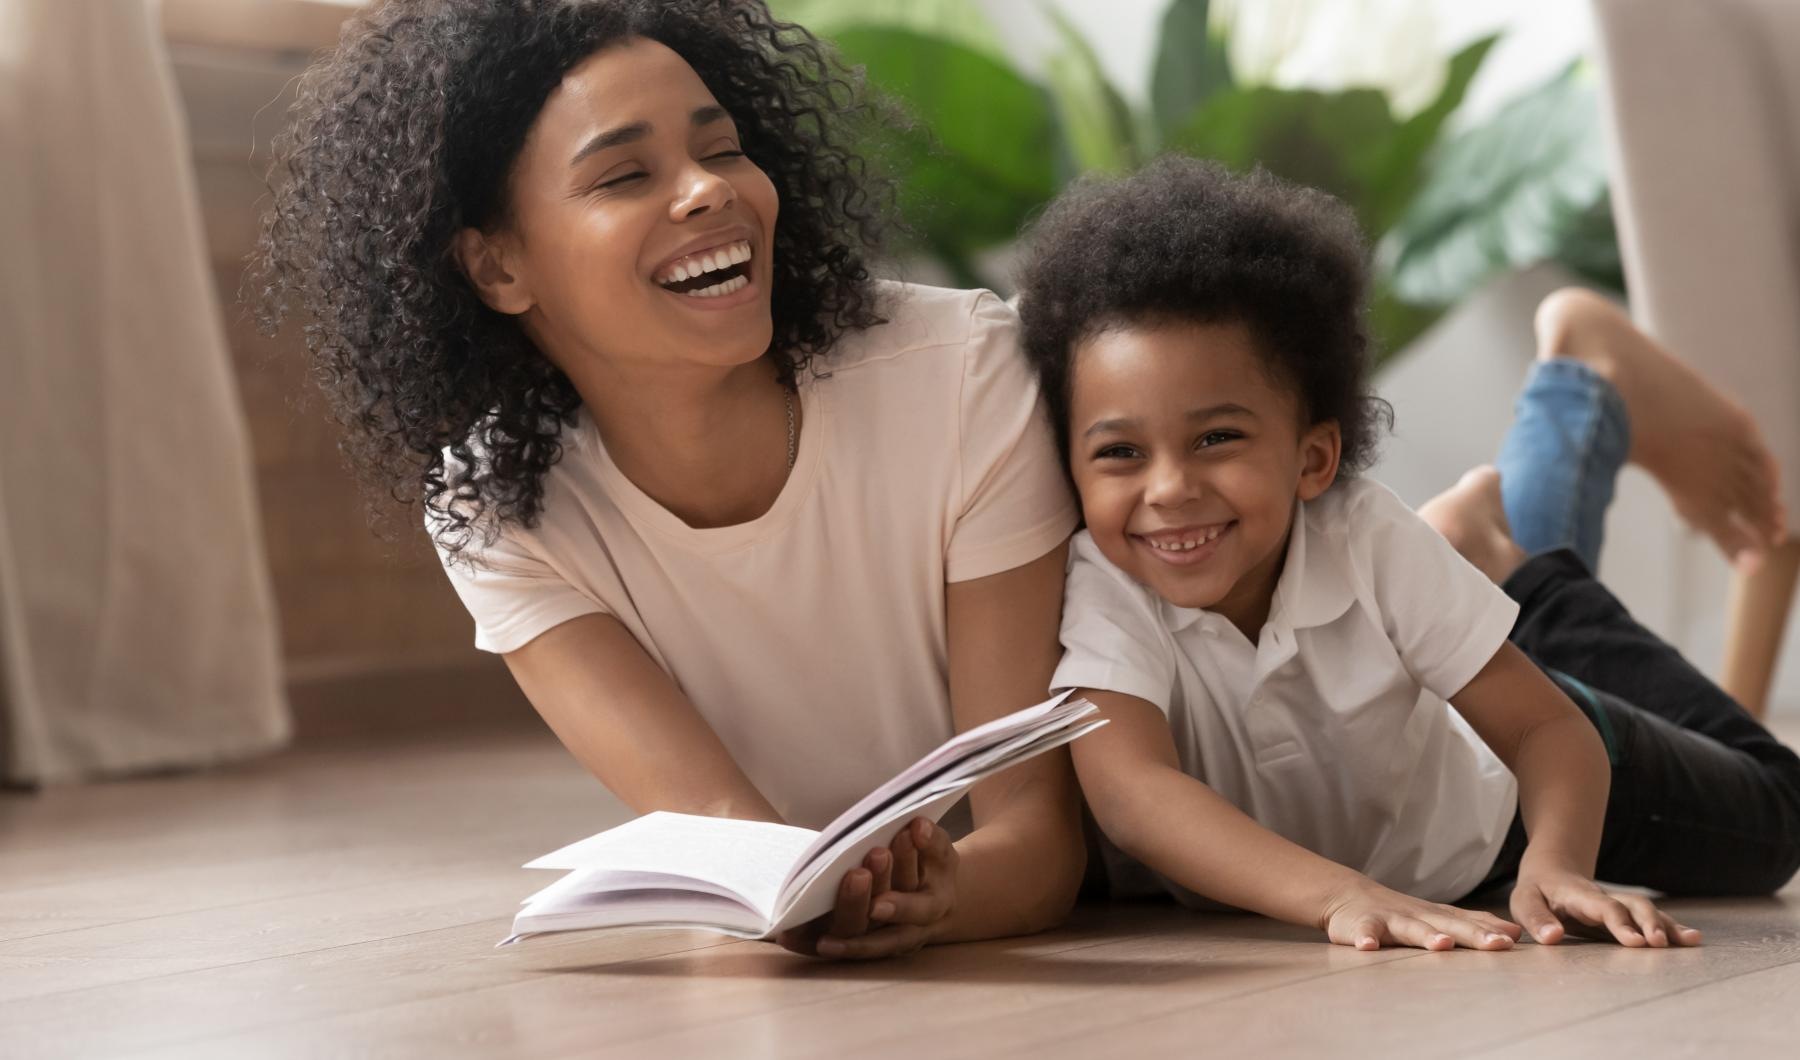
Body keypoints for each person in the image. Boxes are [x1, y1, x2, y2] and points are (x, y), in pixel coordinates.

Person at [250, 0, 1084, 960]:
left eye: (723, 151)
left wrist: (937, 897)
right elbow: (734, 840)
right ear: (495, 265)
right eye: (624, 174)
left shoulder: (959, 373)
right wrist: (826, 903)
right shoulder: (494, 508)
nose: (708, 192)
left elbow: (1037, 842)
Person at [1015, 156, 1800, 951]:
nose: (1170, 487)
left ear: (1314, 459)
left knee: (1779, 815)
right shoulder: (1102, 580)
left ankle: (1563, 431)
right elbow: (1134, 794)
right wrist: (1341, 897)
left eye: (1217, 438)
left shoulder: (1363, 536)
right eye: (1120, 453)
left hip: (1498, 819)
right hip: (1383, 843)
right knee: (1445, 598)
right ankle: (1475, 547)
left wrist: (1558, 864)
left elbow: (1545, 734)